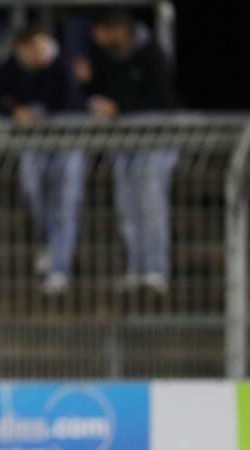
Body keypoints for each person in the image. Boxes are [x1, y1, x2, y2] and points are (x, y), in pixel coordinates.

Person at [76, 11, 177, 293]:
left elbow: (161, 100)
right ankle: (137, 267)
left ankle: (156, 270)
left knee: (151, 207)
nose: (98, 39)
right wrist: (85, 82)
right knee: (128, 209)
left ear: (119, 29)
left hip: (154, 142)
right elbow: (95, 95)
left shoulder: (151, 53)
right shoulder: (103, 55)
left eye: (103, 31)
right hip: (122, 143)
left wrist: (120, 109)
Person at [0, 25, 85, 294]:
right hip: (34, 144)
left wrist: (51, 68)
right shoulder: (11, 67)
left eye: (43, 46)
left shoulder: (60, 64)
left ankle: (59, 268)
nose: (39, 53)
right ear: (21, 50)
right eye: (33, 49)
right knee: (35, 194)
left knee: (65, 205)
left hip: (67, 142)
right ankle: (48, 243)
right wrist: (15, 110)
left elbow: (74, 101)